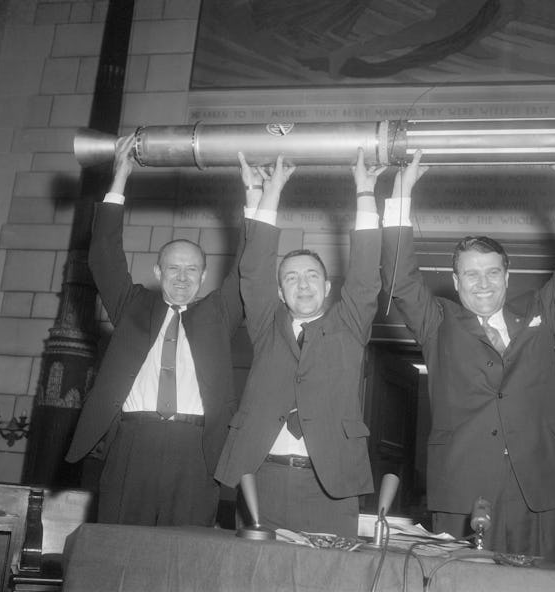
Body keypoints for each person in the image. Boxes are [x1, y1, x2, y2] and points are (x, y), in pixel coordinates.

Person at [380, 149, 555, 563]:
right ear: (455, 279)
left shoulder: (540, 312)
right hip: (464, 488)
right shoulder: (436, 321)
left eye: (492, 272)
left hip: (541, 485)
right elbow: (400, 279)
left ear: (507, 274)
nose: (482, 283)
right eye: (471, 273)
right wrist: (402, 193)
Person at [65, 134, 249, 527]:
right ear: (157, 272)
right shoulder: (133, 305)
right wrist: (120, 177)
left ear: (203, 277)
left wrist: (254, 196)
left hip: (197, 450)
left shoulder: (217, 314)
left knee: (181, 560)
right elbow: (104, 256)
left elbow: (247, 271)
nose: (182, 278)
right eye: (173, 269)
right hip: (133, 443)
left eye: (191, 270)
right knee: (121, 554)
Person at [215, 149, 385, 537]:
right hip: (261, 479)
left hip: (331, 486)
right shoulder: (265, 324)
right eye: (291, 278)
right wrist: (269, 193)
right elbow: (254, 269)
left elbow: (364, 275)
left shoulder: (350, 324)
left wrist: (363, 192)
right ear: (280, 290)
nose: (303, 284)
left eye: (311, 276)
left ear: (328, 288)